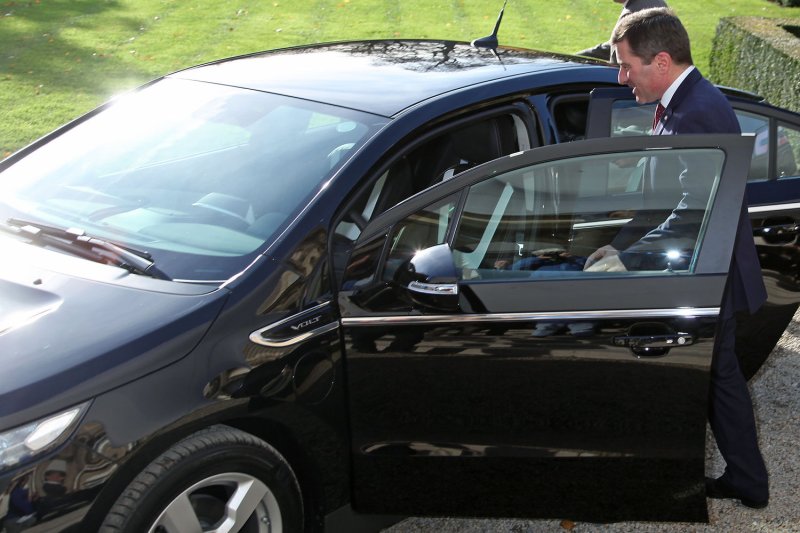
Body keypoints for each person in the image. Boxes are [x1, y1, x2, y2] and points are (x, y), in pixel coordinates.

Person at [586, 8, 770, 509]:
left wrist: (630, 260)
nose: (622, 79)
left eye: (626, 66)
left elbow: (692, 210)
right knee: (718, 377)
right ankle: (748, 481)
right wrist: (621, 245)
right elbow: (666, 196)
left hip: (711, 271)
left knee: (715, 377)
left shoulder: (695, 112)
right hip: (701, 265)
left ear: (661, 61)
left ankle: (741, 481)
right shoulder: (680, 100)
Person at [576, 0, 669, 61]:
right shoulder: (653, 2)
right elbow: (614, 46)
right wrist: (577, 57)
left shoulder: (633, 13)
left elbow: (619, 55)